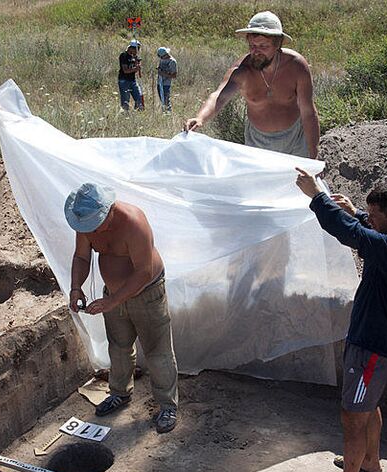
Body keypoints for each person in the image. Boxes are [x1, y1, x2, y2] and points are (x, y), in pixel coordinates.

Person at [295, 170, 387, 472]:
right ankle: (370, 462)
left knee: (353, 417)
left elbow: (349, 233)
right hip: (378, 347)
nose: (371, 223)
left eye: (376, 218)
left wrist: (316, 197)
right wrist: (360, 213)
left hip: (371, 350)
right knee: (368, 407)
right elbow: (365, 227)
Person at [65, 183, 179, 433]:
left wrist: (111, 302)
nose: (92, 231)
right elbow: (82, 257)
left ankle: (168, 405)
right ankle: (119, 393)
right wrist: (76, 287)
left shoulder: (134, 223)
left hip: (147, 293)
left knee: (157, 351)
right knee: (118, 346)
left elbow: (143, 273)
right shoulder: (86, 223)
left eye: (96, 224)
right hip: (113, 295)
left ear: (109, 211)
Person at [185, 11, 320, 159]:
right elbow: (219, 96)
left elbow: (308, 112)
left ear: (278, 44)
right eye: (252, 45)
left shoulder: (296, 66)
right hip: (258, 143)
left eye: (263, 46)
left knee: (297, 181)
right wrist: (200, 118)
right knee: (261, 182)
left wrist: (313, 153)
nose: (256, 51)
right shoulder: (242, 71)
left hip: (296, 140)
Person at [118, 40, 143, 111]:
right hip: (124, 80)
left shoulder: (135, 57)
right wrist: (135, 69)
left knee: (138, 98)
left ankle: (138, 113)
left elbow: (139, 73)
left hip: (133, 80)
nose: (137, 51)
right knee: (125, 100)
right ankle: (125, 114)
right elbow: (125, 70)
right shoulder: (124, 55)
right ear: (131, 48)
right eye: (136, 49)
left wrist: (137, 63)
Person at [156, 47, 177, 112]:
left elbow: (174, 75)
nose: (160, 58)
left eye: (161, 57)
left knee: (166, 101)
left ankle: (168, 113)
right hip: (159, 83)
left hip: (166, 84)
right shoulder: (162, 59)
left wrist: (163, 74)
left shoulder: (172, 62)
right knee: (162, 100)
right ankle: (164, 112)